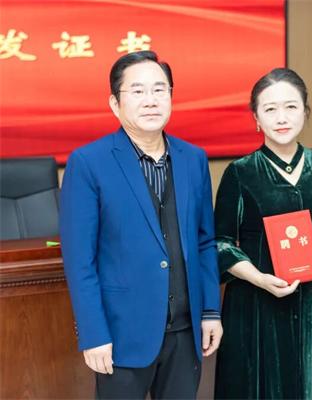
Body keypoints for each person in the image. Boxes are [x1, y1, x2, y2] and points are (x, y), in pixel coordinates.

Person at [59, 50, 223, 399]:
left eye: (159, 90)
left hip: (185, 332)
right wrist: (93, 333)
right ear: (115, 103)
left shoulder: (193, 159)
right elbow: (79, 260)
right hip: (122, 334)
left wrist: (210, 311)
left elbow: (205, 241)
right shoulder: (88, 163)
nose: (151, 100)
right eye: (137, 91)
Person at [213, 68, 312, 400]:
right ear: (256, 118)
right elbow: (220, 243)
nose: (281, 118)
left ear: (305, 112)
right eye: (270, 109)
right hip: (256, 305)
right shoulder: (241, 172)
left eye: (291, 107)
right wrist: (259, 278)